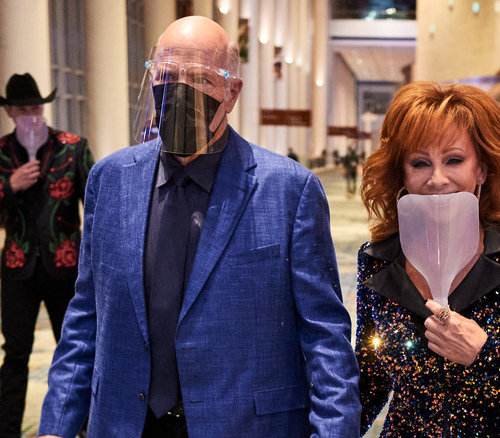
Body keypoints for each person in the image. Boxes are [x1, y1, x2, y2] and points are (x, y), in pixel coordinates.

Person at [38, 16, 360, 438]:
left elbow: (325, 340)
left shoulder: (289, 191)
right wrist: (54, 427)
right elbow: (85, 317)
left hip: (244, 425)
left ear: (232, 92)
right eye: (168, 75)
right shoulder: (110, 180)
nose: (179, 92)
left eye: (200, 79)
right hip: (124, 423)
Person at [355, 81, 500, 436]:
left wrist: (486, 353)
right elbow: (370, 381)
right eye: (420, 162)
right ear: (402, 172)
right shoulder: (379, 259)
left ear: (481, 169)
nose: (437, 179)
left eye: (453, 160)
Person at [0, 72, 94, 438]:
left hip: (66, 267)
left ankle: (87, 427)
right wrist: (9, 185)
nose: (31, 114)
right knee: (15, 356)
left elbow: (97, 201)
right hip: (17, 269)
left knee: (76, 351)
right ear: (9, 110)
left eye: (36, 107)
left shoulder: (72, 147)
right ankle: (6, 432)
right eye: (22, 108)